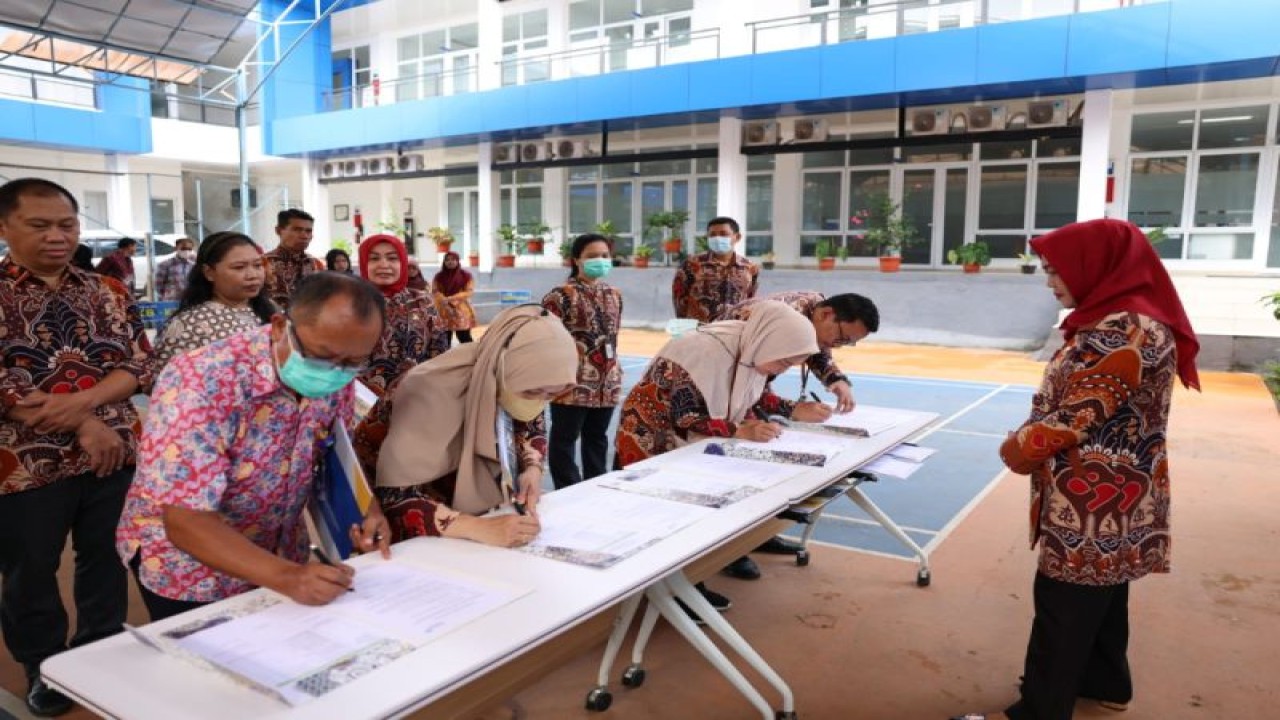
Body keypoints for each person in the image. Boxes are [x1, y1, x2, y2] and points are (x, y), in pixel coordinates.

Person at [951, 219, 1200, 720]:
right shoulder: (1132, 319)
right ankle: (1106, 681)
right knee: (1103, 592)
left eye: (1056, 271)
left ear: (1096, 265)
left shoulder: (1122, 328)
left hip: (1093, 497)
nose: (1049, 282)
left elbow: (1080, 412)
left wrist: (1018, 448)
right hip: (1124, 490)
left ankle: (1040, 710)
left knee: (1062, 606)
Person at [116, 272, 391, 622]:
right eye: (323, 356)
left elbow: (329, 453)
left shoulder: (337, 376)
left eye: (353, 363)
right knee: (204, 667)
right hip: (193, 568)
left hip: (279, 551)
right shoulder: (201, 379)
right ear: (279, 327)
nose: (335, 371)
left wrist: (366, 510)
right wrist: (288, 577)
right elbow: (186, 520)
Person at [0, 178, 153, 717]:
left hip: (114, 452)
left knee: (109, 557)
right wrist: (83, 422)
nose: (56, 237)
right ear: (4, 227)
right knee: (30, 570)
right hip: (24, 462)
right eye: (39, 226)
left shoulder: (106, 290)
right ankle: (43, 668)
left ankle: (100, 647)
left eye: (66, 225)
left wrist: (87, 405)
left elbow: (140, 363)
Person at [615, 301, 818, 616]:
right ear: (771, 341)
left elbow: (753, 393)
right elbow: (684, 417)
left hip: (689, 446)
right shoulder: (701, 351)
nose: (784, 369)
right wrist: (740, 430)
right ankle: (676, 594)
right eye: (785, 361)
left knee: (687, 518)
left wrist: (792, 409)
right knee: (664, 520)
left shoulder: (752, 348)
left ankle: (679, 588)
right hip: (651, 442)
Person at [353, 305, 577, 548]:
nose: (538, 401)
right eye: (532, 391)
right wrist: (476, 527)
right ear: (502, 368)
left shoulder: (513, 379)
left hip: (471, 527)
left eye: (551, 394)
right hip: (394, 529)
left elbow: (530, 427)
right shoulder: (429, 389)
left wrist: (532, 469)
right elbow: (395, 496)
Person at [713, 291, 880, 578]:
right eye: (841, 338)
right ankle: (728, 551)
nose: (838, 347)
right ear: (826, 314)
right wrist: (792, 409)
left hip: (742, 386)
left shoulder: (814, 313)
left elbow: (817, 346)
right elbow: (750, 383)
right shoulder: (783, 317)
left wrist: (836, 379)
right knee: (734, 470)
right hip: (721, 388)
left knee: (762, 459)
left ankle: (758, 535)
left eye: (848, 343)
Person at [541, 233, 624, 488]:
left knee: (597, 438)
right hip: (571, 382)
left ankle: (594, 488)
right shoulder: (560, 295)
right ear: (576, 260)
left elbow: (614, 335)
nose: (599, 260)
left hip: (606, 381)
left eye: (604, 256)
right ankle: (568, 488)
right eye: (591, 256)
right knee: (565, 439)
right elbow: (546, 338)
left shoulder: (614, 294)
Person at [151, 231, 275, 373]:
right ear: (209, 272)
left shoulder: (270, 309)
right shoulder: (189, 325)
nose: (253, 275)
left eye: (258, 265)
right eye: (239, 267)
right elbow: (168, 384)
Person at [356, 234, 450, 397]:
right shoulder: (349, 303)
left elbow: (439, 353)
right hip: (360, 406)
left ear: (403, 264)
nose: (384, 265)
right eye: (374, 259)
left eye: (392, 258)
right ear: (364, 263)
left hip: (415, 401)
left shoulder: (422, 301)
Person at [671, 216, 758, 323]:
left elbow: (750, 299)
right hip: (700, 330)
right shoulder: (691, 264)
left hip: (734, 329)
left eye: (723, 234)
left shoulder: (750, 268)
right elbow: (679, 298)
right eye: (712, 235)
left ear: (737, 237)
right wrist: (684, 325)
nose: (717, 238)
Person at [263, 208, 323, 311]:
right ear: (278, 231)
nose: (304, 236)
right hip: (272, 322)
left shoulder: (315, 264)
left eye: (308, 231)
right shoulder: (263, 263)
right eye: (297, 230)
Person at [432, 250, 477, 345]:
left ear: (458, 261)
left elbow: (468, 291)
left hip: (461, 310)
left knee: (464, 337)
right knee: (445, 339)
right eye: (447, 260)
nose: (450, 262)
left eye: (453, 259)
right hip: (444, 310)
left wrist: (450, 299)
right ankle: (447, 359)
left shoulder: (466, 276)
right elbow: (435, 291)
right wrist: (443, 300)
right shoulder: (439, 276)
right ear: (444, 262)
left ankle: (470, 357)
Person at [154, 236, 197, 301]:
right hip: (171, 301)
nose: (186, 251)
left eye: (189, 249)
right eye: (183, 248)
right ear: (176, 248)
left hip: (190, 301)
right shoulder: (165, 264)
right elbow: (158, 286)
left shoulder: (194, 265)